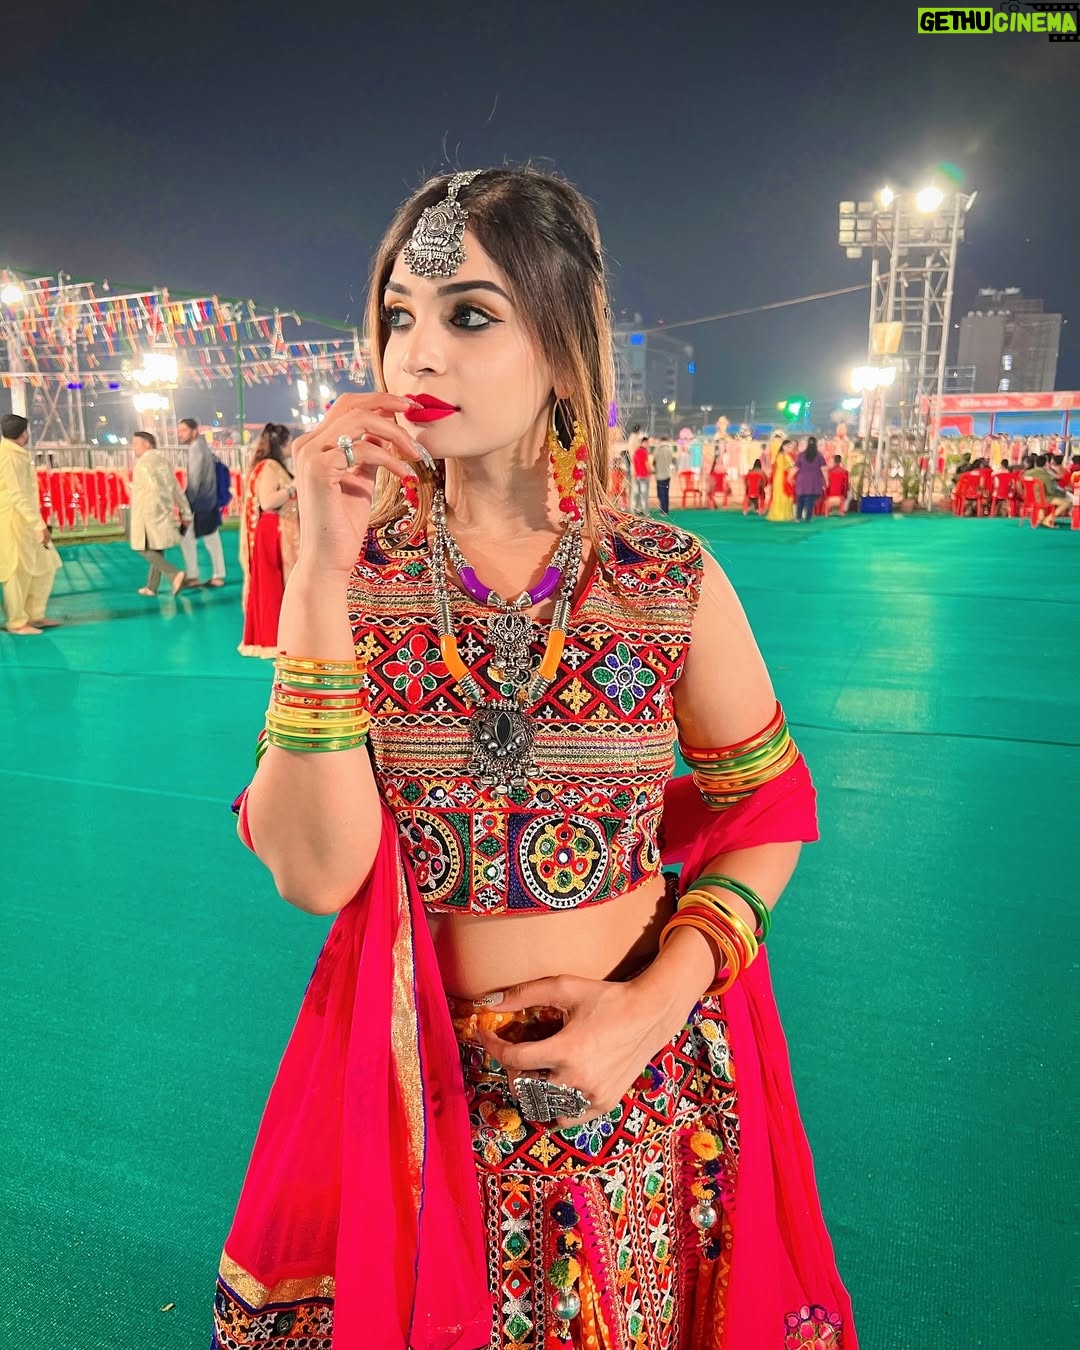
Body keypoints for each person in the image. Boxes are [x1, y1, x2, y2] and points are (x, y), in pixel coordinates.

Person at [211, 167, 856, 1350]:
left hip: (641, 1097)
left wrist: (652, 1007)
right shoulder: (356, 580)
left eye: (469, 314)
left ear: (563, 347)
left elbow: (767, 811)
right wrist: (313, 578)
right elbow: (313, 874)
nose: (418, 354)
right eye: (399, 317)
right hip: (419, 1112)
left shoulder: (665, 579)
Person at [238, 423, 300, 657]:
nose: (291, 445)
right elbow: (267, 501)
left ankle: (280, 635)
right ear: (281, 443)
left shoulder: (269, 466)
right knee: (274, 585)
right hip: (274, 532)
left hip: (275, 530)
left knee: (276, 585)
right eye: (289, 440)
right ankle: (274, 638)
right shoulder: (270, 467)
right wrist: (293, 488)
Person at [0, 413, 62, 635]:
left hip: (27, 520)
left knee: (46, 565)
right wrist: (38, 524)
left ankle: (35, 614)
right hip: (13, 521)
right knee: (17, 572)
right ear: (23, 433)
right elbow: (16, 494)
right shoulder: (8, 455)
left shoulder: (16, 454)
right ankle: (17, 622)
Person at [128, 429, 191, 596]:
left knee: (142, 547)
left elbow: (149, 489)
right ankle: (152, 586)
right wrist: (185, 512)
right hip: (163, 510)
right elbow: (175, 488)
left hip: (146, 512)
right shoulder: (164, 461)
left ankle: (174, 574)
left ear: (146, 444)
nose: (133, 448)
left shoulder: (142, 464)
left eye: (135, 444)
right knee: (157, 546)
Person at [177, 417, 226, 587]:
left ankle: (205, 576)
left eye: (184, 430)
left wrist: (186, 504)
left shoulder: (196, 449)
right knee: (206, 538)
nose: (180, 434)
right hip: (207, 501)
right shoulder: (202, 447)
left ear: (194, 431)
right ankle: (202, 575)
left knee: (203, 538)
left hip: (201, 502)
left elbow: (195, 480)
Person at [793, 437, 827, 522]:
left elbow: (795, 468)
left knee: (800, 499)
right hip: (814, 481)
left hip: (802, 481)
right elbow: (824, 469)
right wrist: (826, 481)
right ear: (816, 444)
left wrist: (789, 477)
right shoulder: (819, 455)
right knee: (810, 500)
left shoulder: (801, 455)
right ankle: (808, 518)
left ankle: (798, 518)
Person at [765, 437, 795, 522]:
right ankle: (779, 515)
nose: (790, 448)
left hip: (787, 476)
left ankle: (787, 515)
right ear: (784, 446)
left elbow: (791, 465)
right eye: (788, 447)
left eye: (791, 447)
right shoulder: (780, 455)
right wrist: (791, 467)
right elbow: (782, 467)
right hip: (781, 477)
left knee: (788, 496)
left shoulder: (788, 455)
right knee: (781, 495)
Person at [630, 432, 651, 514]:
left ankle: (634, 511)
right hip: (644, 476)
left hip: (636, 476)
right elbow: (646, 464)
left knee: (636, 494)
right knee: (644, 495)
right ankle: (645, 512)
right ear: (643, 443)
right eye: (647, 443)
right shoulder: (644, 452)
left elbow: (633, 463)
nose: (647, 444)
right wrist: (650, 472)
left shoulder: (636, 451)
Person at [652, 436, 674, 514]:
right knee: (666, 492)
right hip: (668, 474)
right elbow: (671, 460)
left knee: (661, 494)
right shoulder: (670, 449)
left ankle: (663, 510)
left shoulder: (657, 449)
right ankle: (666, 509)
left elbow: (654, 461)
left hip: (660, 475)